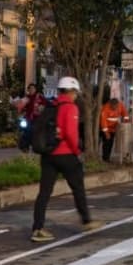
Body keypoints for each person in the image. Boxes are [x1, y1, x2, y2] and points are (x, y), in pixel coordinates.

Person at [30, 77, 103, 242]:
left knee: (44, 193)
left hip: (48, 155)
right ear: (71, 92)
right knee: (78, 188)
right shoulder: (70, 108)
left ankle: (38, 228)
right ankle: (86, 220)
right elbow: (70, 134)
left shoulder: (51, 106)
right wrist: (77, 151)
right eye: (75, 92)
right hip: (65, 154)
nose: (76, 95)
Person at [19, 84, 46, 152]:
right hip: (28, 118)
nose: (31, 90)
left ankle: (36, 146)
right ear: (28, 90)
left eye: (33, 88)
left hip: (37, 118)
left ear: (35, 89)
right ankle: (25, 147)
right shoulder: (26, 98)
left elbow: (46, 104)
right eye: (30, 89)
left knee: (35, 133)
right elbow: (20, 106)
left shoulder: (39, 97)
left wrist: (42, 107)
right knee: (26, 131)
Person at [99, 97, 127, 162]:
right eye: (114, 107)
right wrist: (106, 133)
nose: (115, 108)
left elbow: (125, 114)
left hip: (114, 128)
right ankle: (105, 158)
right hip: (106, 129)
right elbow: (103, 122)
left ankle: (108, 157)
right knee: (106, 143)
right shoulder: (105, 108)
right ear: (110, 104)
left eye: (116, 106)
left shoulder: (120, 105)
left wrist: (126, 121)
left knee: (111, 143)